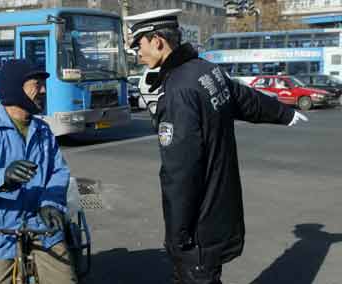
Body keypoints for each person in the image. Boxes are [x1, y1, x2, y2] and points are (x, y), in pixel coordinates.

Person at [125, 9, 308, 284]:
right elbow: (244, 98)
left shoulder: (178, 92)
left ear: (158, 41)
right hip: (219, 211)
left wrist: (177, 235)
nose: (138, 53)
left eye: (139, 45)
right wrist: (283, 113)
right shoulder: (205, 70)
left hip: (197, 230)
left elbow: (181, 172)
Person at [0, 59, 76, 284]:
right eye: (36, 84)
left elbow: (58, 172)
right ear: (15, 88)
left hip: (41, 226)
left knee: (64, 279)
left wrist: (51, 203)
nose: (43, 90)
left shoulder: (44, 131)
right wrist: (2, 178)